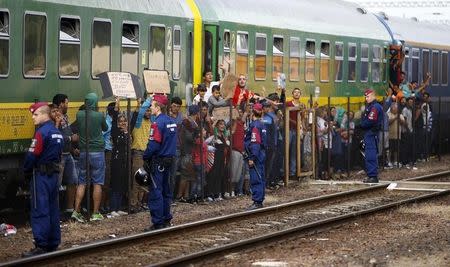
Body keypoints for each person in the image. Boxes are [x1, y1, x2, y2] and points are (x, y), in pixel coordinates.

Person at [22, 103, 63, 257]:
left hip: (41, 176)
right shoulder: (56, 132)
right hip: (54, 176)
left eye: (35, 114)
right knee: (53, 209)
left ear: (44, 114)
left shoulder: (41, 133)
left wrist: (26, 170)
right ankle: (53, 242)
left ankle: (41, 244)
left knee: (40, 209)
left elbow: (33, 155)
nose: (33, 117)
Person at [72, 92, 108, 222]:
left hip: (83, 152)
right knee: (97, 182)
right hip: (97, 151)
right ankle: (95, 213)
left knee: (82, 182)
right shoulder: (99, 115)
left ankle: (76, 211)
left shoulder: (79, 114)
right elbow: (105, 128)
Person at [143, 95, 177, 230]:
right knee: (166, 191)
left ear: (157, 107)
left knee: (156, 191)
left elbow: (154, 144)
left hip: (158, 161)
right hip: (170, 160)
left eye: (152, 105)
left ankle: (158, 222)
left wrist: (146, 156)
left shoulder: (157, 123)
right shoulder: (172, 121)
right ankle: (166, 218)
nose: (150, 107)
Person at [52, 94, 79, 216]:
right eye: (67, 103)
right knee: (56, 184)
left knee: (73, 180)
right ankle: (55, 211)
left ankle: (69, 209)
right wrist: (69, 138)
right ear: (61, 104)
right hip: (60, 155)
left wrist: (73, 149)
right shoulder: (55, 118)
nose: (68, 105)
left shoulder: (66, 117)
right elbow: (54, 136)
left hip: (68, 154)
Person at [244, 103, 267, 210]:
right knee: (261, 177)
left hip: (256, 154)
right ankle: (260, 199)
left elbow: (255, 142)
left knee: (256, 177)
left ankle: (257, 201)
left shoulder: (255, 126)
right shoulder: (262, 124)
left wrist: (252, 158)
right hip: (261, 154)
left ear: (253, 112)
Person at [360, 89, 384, 183]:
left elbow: (370, 121)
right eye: (365, 97)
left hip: (371, 133)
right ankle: (371, 175)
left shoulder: (374, 107)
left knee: (370, 154)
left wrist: (361, 125)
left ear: (373, 96)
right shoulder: (372, 106)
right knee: (369, 154)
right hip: (370, 133)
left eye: (368, 96)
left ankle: (373, 175)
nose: (366, 98)